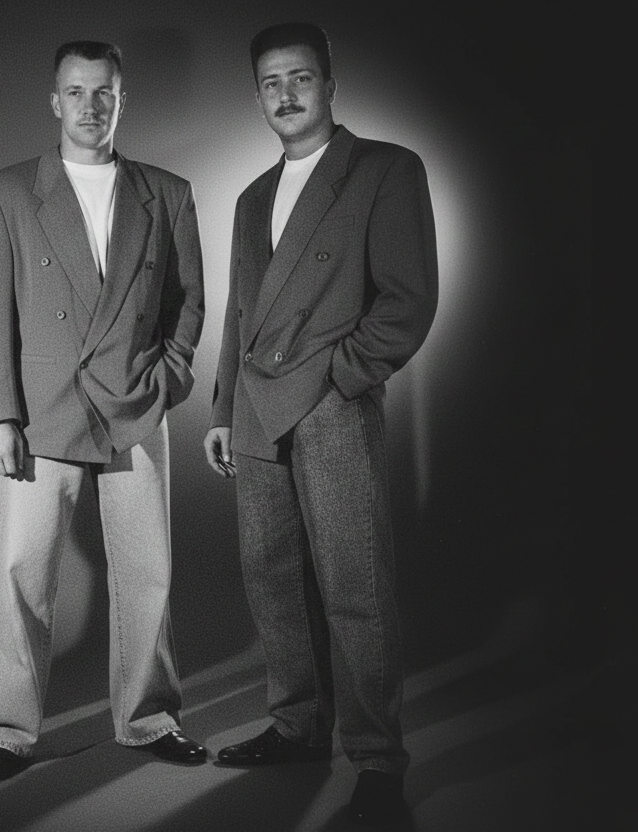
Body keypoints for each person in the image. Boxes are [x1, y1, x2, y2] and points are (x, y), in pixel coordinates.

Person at [204, 22, 438, 826]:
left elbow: (407, 301)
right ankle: (297, 727)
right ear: (258, 96)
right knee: (272, 580)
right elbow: (240, 314)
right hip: (256, 411)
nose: (286, 94)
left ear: (330, 86)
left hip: (331, 405)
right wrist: (222, 408)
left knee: (354, 587)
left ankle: (376, 759)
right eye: (270, 82)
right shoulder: (251, 197)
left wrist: (340, 378)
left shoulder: (384, 169)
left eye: (299, 77)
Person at [0, 40, 207, 781]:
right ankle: (5, 731)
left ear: (121, 100)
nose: (90, 106)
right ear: (54, 101)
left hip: (134, 405)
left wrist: (166, 378)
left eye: (104, 92)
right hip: (41, 413)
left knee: (147, 573)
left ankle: (150, 718)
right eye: (76, 92)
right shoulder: (7, 191)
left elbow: (188, 302)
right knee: (22, 575)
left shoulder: (166, 192)